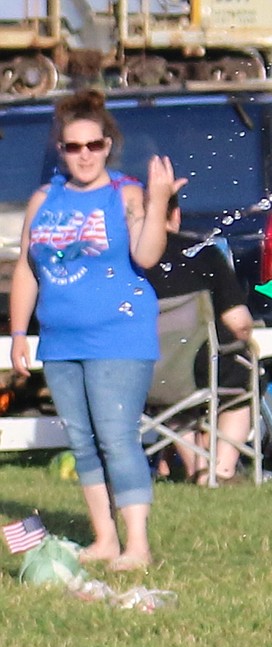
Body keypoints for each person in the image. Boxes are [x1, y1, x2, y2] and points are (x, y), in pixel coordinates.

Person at [8, 89, 184, 571]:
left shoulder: (124, 194)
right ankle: (105, 539)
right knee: (82, 440)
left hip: (119, 336)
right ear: (61, 151)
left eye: (93, 145)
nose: (83, 155)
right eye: (72, 147)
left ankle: (138, 545)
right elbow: (27, 268)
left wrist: (159, 200)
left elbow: (146, 255)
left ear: (108, 145)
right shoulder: (45, 198)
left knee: (116, 436)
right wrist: (20, 333)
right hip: (62, 339)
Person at [146, 194, 255, 486]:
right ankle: (221, 469)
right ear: (176, 215)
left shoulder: (124, 263)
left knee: (169, 396)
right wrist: (248, 338)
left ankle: (197, 465)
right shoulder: (201, 253)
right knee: (241, 378)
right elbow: (238, 321)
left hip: (144, 374)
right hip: (199, 369)